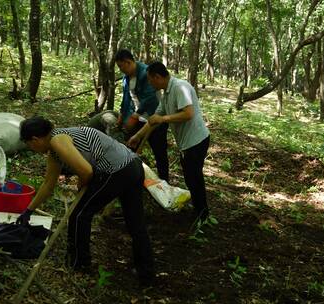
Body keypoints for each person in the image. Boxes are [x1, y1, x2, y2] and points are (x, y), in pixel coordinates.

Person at [16, 116, 154, 285]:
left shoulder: (57, 140)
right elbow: (48, 185)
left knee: (79, 215)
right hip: (132, 165)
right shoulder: (56, 147)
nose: (32, 149)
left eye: (29, 145)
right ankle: (146, 272)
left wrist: (79, 186)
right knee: (135, 222)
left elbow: (87, 172)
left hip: (116, 170)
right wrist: (28, 210)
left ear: (35, 139)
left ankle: (78, 264)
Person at [127, 61, 210, 221]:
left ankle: (202, 214)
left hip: (197, 141)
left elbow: (188, 113)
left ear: (158, 77)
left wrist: (164, 118)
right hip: (186, 143)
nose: (150, 85)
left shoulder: (180, 87)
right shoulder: (166, 94)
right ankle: (199, 210)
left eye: (151, 81)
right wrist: (137, 136)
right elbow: (153, 120)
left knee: (194, 177)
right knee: (190, 177)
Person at [115, 49, 169, 181]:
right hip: (138, 117)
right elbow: (127, 98)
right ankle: (132, 177)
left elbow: (150, 98)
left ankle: (164, 181)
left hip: (155, 117)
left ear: (128, 62)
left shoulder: (146, 72)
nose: (121, 69)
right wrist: (122, 115)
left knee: (159, 150)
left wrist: (135, 115)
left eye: (121, 66)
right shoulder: (126, 78)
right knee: (131, 145)